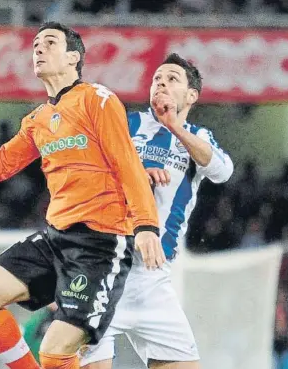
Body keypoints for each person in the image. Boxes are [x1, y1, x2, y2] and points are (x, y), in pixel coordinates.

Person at [0, 22, 163, 369]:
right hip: (55, 239)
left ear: (73, 58)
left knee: (54, 352)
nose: (38, 48)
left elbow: (127, 164)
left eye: (49, 43)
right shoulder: (37, 119)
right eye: (35, 44)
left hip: (100, 245)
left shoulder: (97, 99)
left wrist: (146, 227)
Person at [80, 53, 234, 369]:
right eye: (156, 79)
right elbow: (89, 171)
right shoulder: (127, 123)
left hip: (154, 281)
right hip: (105, 271)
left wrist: (175, 126)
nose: (160, 83)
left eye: (171, 79)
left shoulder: (197, 138)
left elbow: (222, 171)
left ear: (192, 95)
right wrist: (137, 171)